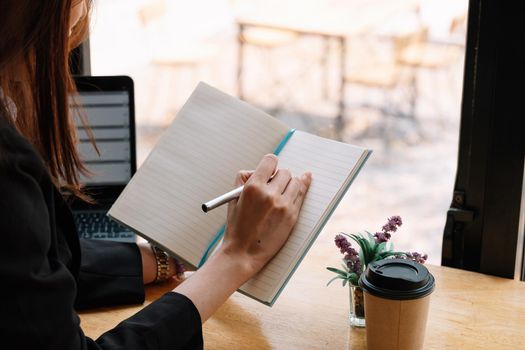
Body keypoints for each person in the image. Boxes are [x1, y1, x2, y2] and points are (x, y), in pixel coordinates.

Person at [0, 1, 312, 349]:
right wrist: (237, 256)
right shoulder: (7, 167)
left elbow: (28, 269)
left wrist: (164, 260)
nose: (79, 16)